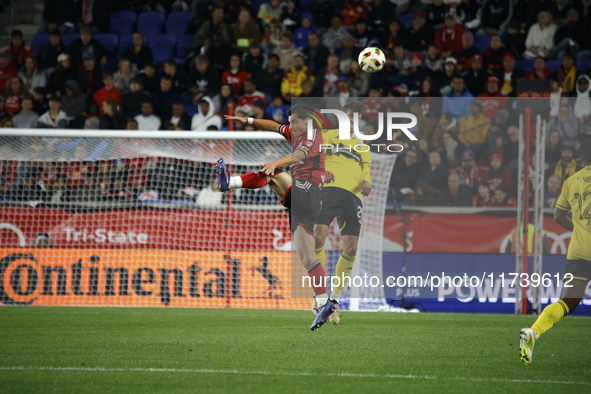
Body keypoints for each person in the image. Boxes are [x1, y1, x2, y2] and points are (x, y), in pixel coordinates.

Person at [220, 107, 334, 330]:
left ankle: (229, 183)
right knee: (307, 256)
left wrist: (276, 163)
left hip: (309, 191)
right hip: (304, 201)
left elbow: (299, 155)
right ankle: (324, 303)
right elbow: (273, 126)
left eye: (295, 123)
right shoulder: (296, 131)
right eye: (290, 123)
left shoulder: (313, 135)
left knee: (270, 172)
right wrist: (249, 119)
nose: (291, 127)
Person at [519, 142, 591, 365]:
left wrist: (578, 229)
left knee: (568, 301)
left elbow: (558, 216)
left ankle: (533, 332)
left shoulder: (571, 181)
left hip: (579, 251)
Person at [314, 101, 371, 325]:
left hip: (352, 196)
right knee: (317, 237)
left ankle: (333, 302)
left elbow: (366, 170)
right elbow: (312, 155)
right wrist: (321, 170)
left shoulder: (362, 146)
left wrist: (366, 181)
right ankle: (318, 299)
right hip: (327, 191)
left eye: (356, 118)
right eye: (348, 116)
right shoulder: (327, 136)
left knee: (352, 247)